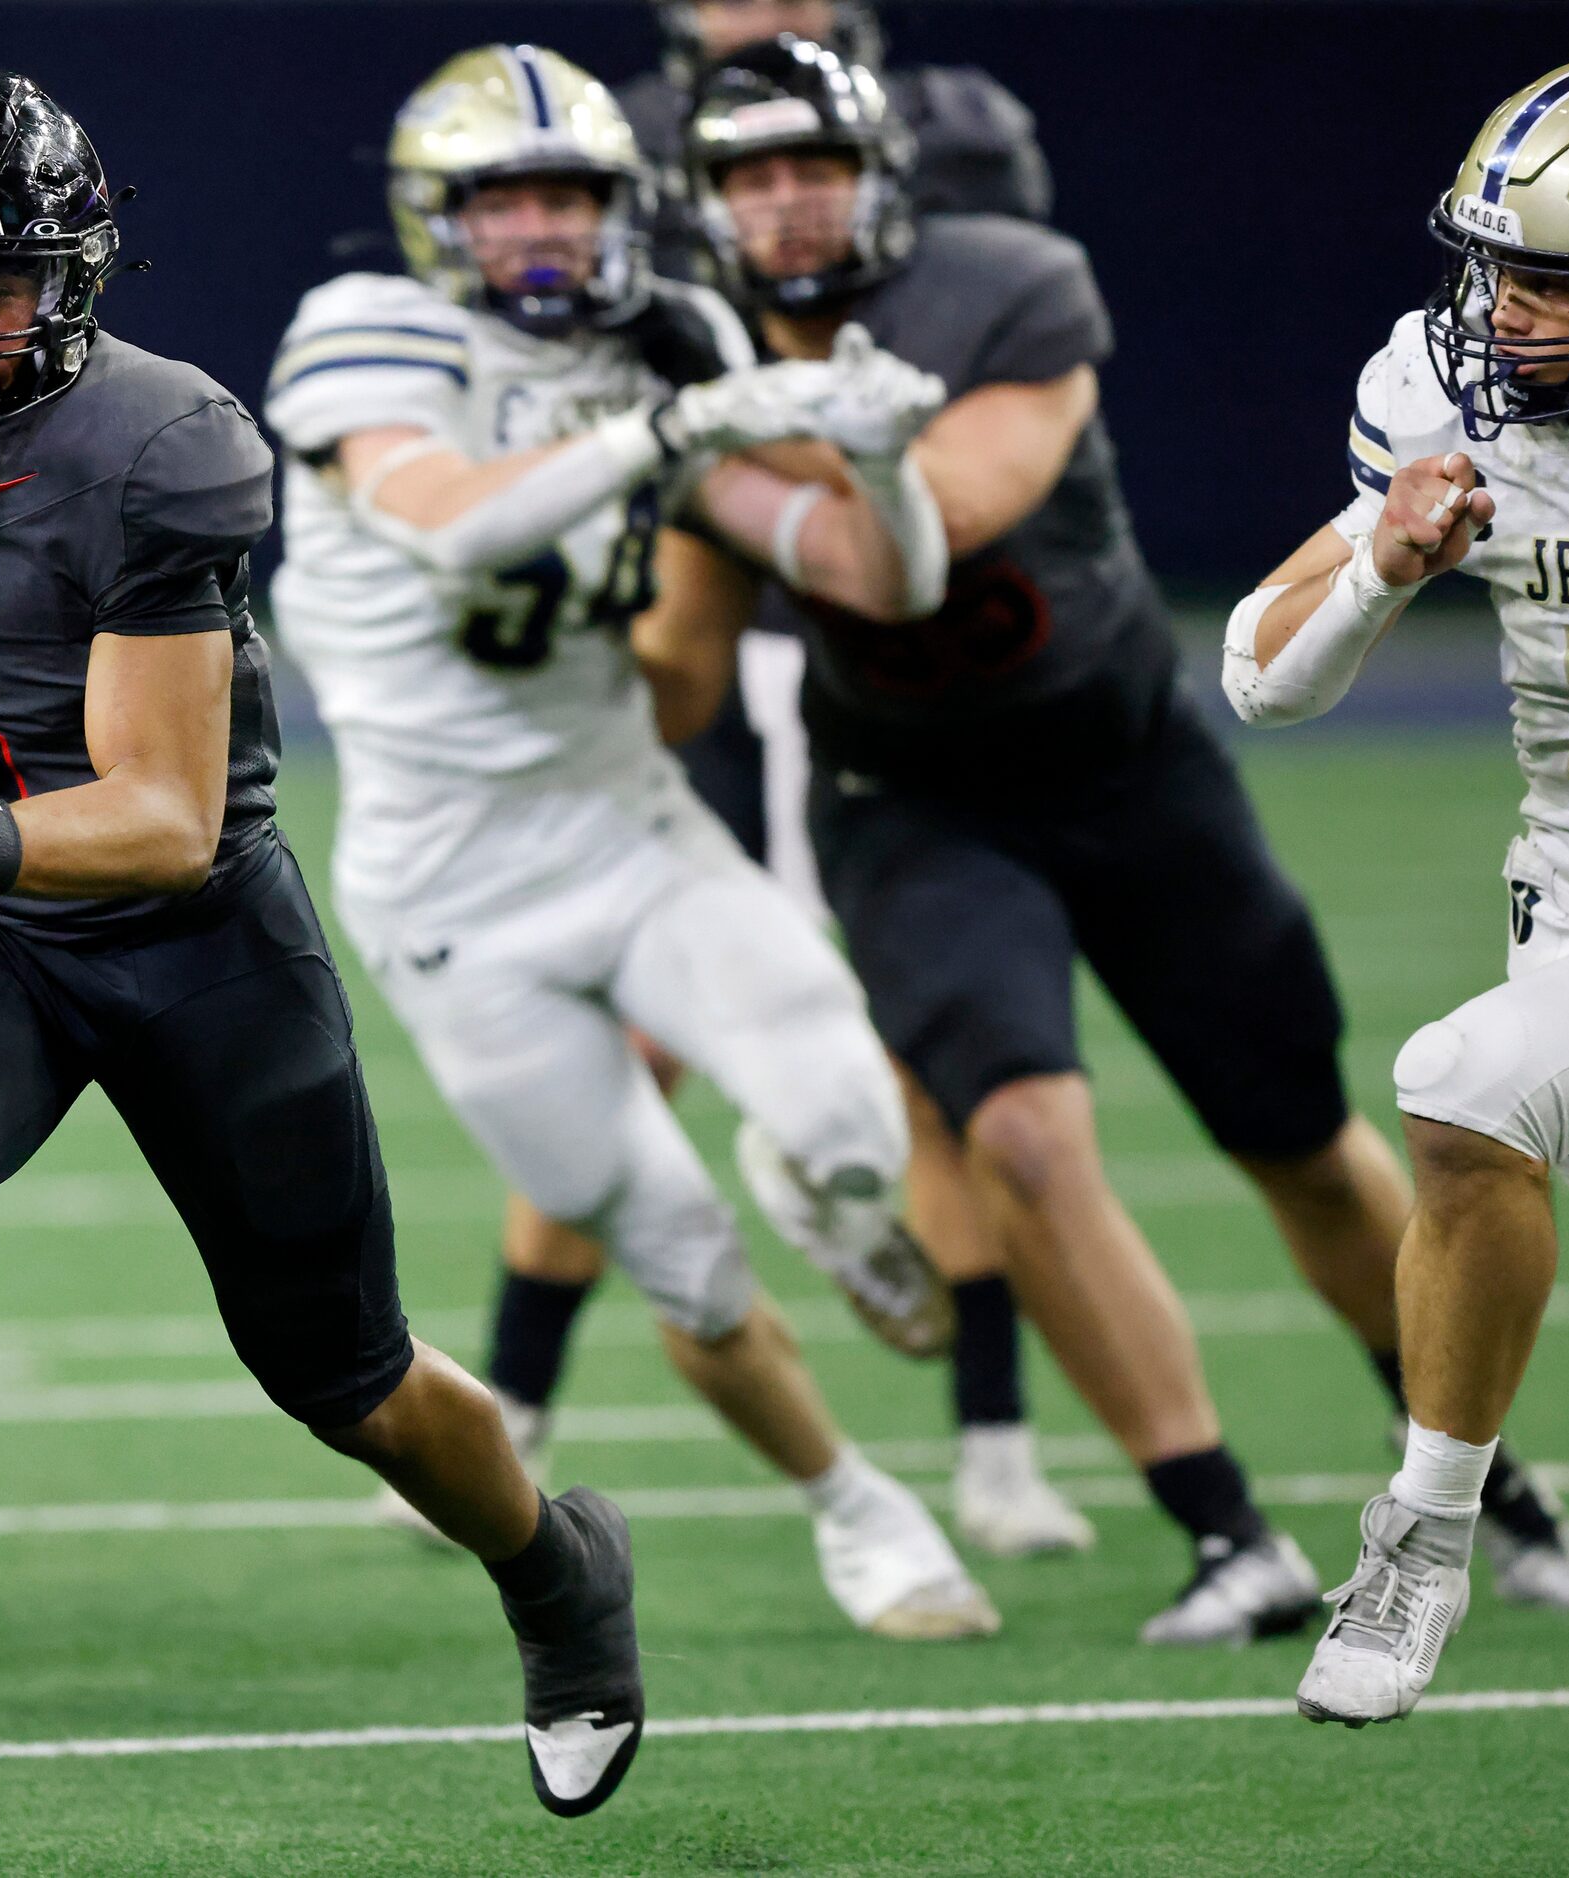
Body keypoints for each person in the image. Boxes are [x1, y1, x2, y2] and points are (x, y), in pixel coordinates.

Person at [0, 68, 646, 1851]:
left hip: (184, 933)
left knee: (351, 1381)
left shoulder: (157, 442)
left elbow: (162, 812)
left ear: (67, 285)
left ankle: (559, 1577)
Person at [635, 35, 1563, 1644]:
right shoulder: (688, 362)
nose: (786, 205)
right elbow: (687, 650)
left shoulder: (1003, 285)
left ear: (885, 177)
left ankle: (1507, 1504)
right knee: (1018, 1135)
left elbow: (917, 542)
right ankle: (1223, 1528)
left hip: (1120, 752)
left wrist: (737, 442)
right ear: (702, 202)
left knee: (1297, 1136)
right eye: (748, 175)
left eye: (815, 166)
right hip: (906, 792)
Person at [264, 41, 991, 1642]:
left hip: (626, 823)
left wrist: (875, 458)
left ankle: (830, 1187)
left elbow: (884, 579)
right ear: (434, 216)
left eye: (571, 195)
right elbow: (450, 513)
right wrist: (683, 426)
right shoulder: (363, 330)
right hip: (451, 896)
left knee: (852, 1116)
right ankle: (853, 1504)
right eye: (504, 197)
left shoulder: (666, 335)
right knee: (676, 1254)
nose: (542, 228)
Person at [485, 0, 1084, 1557]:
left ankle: (998, 1448)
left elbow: (948, 363)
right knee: (617, 1040)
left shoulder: (950, 132)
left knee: (916, 1047)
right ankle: (507, 1411)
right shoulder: (602, 146)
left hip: (866, 650)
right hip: (704, 625)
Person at [1228, 63, 1569, 1723]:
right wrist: (1380, 565)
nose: (1507, 317)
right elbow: (1257, 677)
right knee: (1456, 1093)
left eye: (1555, 286)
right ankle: (1424, 1543)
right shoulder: (1444, 404)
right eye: (1498, 270)